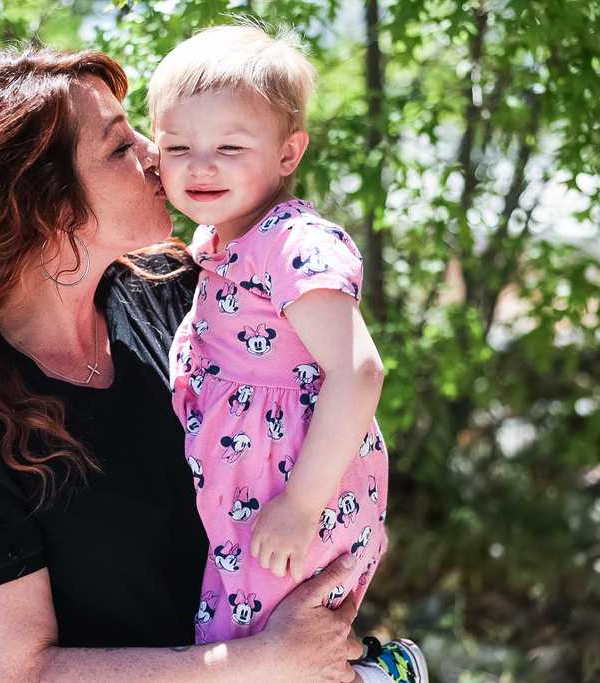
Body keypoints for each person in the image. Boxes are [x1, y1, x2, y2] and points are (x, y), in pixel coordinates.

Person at [0, 45, 368, 681]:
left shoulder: (182, 293)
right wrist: (264, 662)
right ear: (48, 208)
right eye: (118, 146)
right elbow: (11, 674)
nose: (154, 152)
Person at [149, 25, 427, 682]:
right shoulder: (217, 238)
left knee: (267, 651)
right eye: (178, 146)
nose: (201, 165)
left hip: (298, 483)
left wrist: (302, 503)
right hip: (248, 488)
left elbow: (359, 368)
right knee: (248, 646)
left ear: (287, 153)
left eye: (230, 146)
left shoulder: (294, 241)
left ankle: (378, 675)